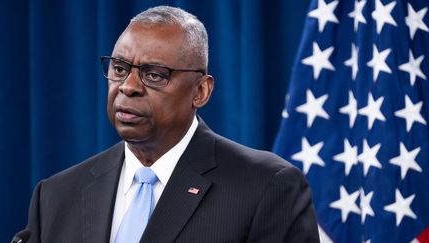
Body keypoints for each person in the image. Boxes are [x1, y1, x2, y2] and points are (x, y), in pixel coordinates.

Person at [26, 6, 320, 243]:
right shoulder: (55, 196)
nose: (128, 87)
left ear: (200, 91)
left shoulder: (268, 187)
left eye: (154, 74)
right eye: (119, 69)